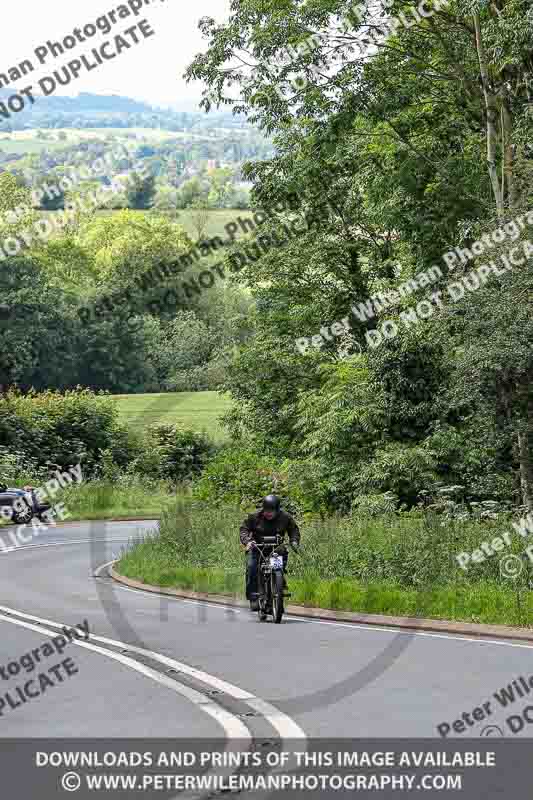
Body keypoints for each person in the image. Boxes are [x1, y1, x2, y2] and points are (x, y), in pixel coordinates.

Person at [239, 494, 300, 611]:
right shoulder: (254, 516)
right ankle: (253, 597)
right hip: (257, 547)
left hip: (275, 549)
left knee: (278, 566)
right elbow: (244, 529)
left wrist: (294, 541)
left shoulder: (285, 517)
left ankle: (278, 588)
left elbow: (294, 530)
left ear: (277, 510)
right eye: (266, 510)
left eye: (271, 511)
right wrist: (248, 541)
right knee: (252, 567)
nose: (268, 513)